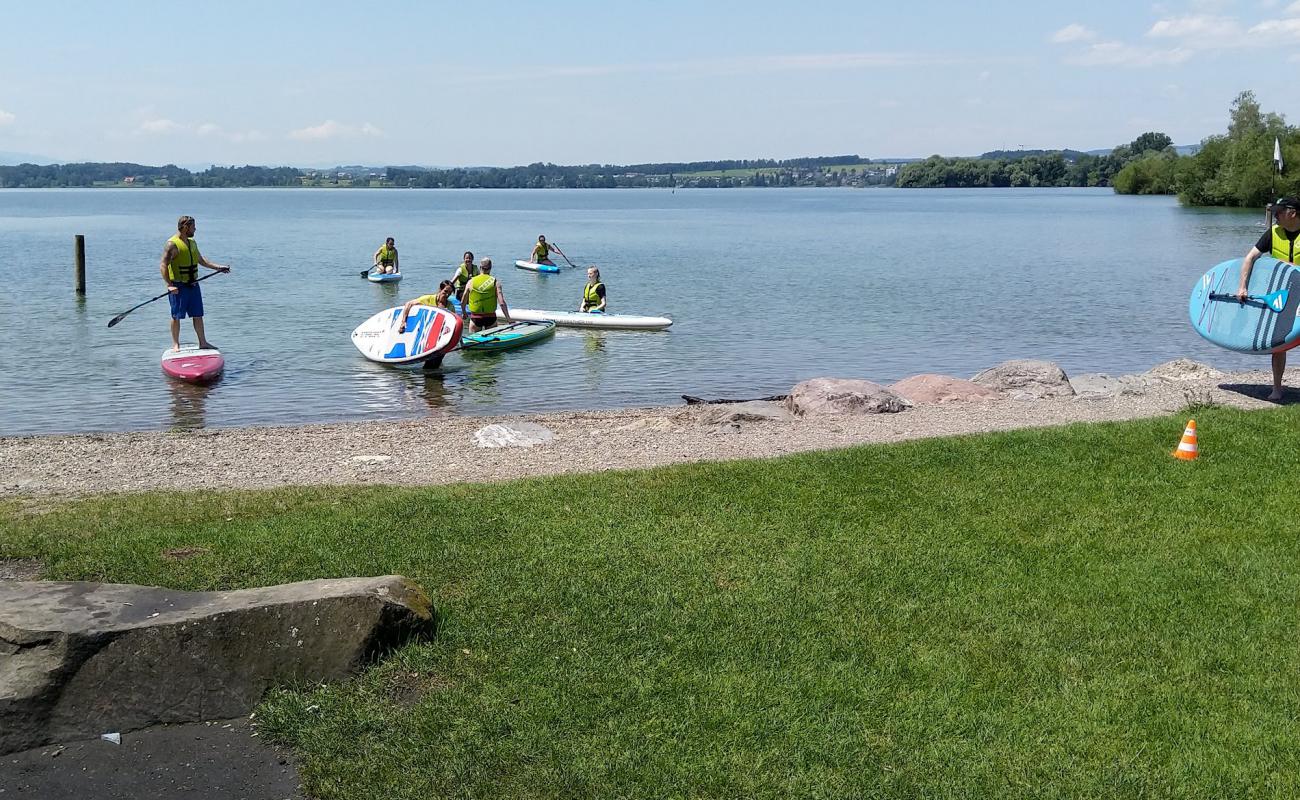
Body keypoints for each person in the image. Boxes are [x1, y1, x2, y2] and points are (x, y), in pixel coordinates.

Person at [1238, 195, 1300, 400]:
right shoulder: (1273, 234)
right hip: (1281, 296)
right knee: (1279, 343)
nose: (1275, 216)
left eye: (1278, 212)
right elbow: (1250, 257)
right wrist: (1242, 287)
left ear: (1292, 213)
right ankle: (1277, 388)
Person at [160, 215, 230, 351]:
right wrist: (169, 285)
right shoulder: (172, 245)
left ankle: (203, 342)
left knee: (198, 314)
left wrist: (218, 267)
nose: (195, 229)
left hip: (193, 285)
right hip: (178, 286)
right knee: (176, 316)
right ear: (185, 227)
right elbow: (163, 265)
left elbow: (201, 260)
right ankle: (176, 344)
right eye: (193, 227)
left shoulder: (192, 242)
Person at [462, 257, 510, 332]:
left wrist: (464, 313)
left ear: (480, 267)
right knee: (491, 341)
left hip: (475, 317)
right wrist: (509, 320)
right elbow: (502, 303)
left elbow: (463, 301)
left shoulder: (471, 282)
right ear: (490, 268)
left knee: (473, 341)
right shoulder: (495, 282)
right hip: (490, 317)